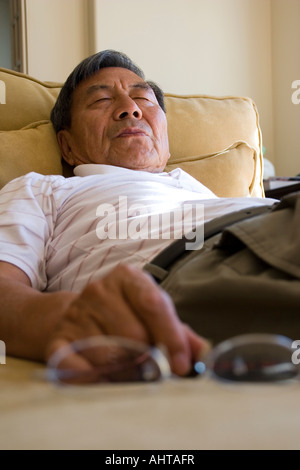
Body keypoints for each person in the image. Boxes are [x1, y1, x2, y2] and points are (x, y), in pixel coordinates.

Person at [0, 50, 299, 379]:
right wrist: (62, 318)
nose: (131, 107)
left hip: (278, 220)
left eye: (143, 97)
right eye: (101, 100)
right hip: (199, 267)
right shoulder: (43, 189)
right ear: (67, 146)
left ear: (166, 143)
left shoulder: (192, 187)